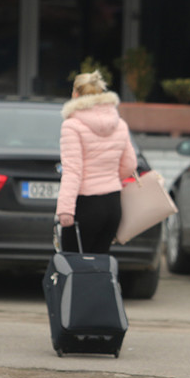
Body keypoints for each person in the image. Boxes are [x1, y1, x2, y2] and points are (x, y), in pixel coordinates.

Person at [56, 70, 138, 254]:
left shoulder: (72, 125)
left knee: (73, 262)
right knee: (99, 263)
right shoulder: (119, 123)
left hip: (86, 205)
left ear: (76, 94)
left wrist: (65, 210)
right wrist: (109, 178)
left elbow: (73, 171)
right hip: (113, 205)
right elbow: (130, 164)